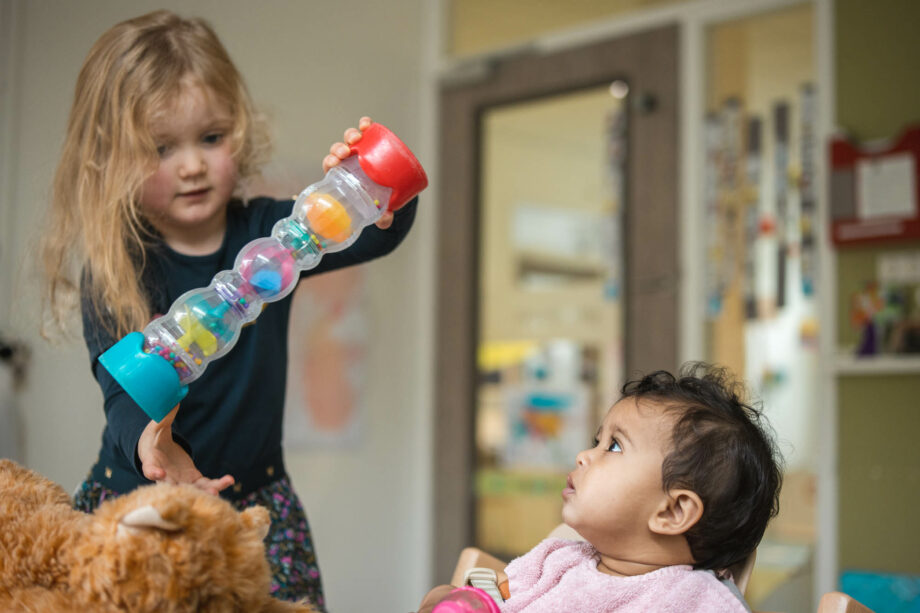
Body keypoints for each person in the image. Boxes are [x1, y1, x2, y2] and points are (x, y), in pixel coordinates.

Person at [40, 11, 418, 611]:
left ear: (238, 133)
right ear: (108, 157)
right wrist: (150, 446)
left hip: (256, 500)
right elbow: (120, 392)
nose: (191, 165)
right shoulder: (118, 261)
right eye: (161, 148)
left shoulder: (271, 229)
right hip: (140, 497)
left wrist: (369, 187)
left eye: (210, 138)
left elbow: (378, 237)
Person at [420, 363, 782, 612]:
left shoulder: (690, 599)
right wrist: (449, 598)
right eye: (597, 441)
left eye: (613, 446)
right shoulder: (555, 560)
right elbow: (494, 597)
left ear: (672, 511)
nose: (583, 456)